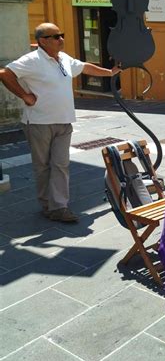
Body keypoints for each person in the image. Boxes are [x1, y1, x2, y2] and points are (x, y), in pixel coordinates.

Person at [0, 22, 120, 222]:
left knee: (61, 164)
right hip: (39, 122)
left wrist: (109, 72)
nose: (61, 39)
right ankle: (47, 204)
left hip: (64, 121)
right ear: (42, 41)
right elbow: (5, 73)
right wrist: (24, 95)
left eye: (61, 35)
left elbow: (83, 67)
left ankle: (59, 207)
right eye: (56, 36)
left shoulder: (63, 58)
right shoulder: (31, 60)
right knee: (43, 166)